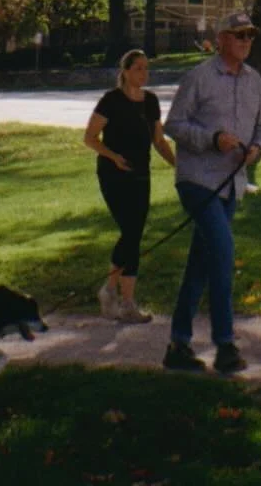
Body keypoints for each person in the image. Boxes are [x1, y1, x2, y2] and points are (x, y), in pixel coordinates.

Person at [161, 8, 261, 374]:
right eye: (239, 35)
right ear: (221, 38)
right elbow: (173, 124)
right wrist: (212, 139)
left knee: (201, 263)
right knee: (223, 254)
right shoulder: (199, 78)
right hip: (197, 180)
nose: (246, 42)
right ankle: (225, 346)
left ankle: (178, 345)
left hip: (231, 185)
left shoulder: (254, 81)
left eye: (250, 36)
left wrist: (257, 148)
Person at [84, 48, 175, 323]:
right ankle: (124, 301)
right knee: (131, 232)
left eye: (146, 68)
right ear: (125, 71)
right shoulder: (111, 100)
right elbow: (90, 138)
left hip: (140, 174)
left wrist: (178, 165)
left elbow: (159, 141)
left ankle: (113, 293)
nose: (144, 74)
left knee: (134, 235)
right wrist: (113, 156)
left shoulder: (150, 101)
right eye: (138, 68)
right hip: (114, 174)